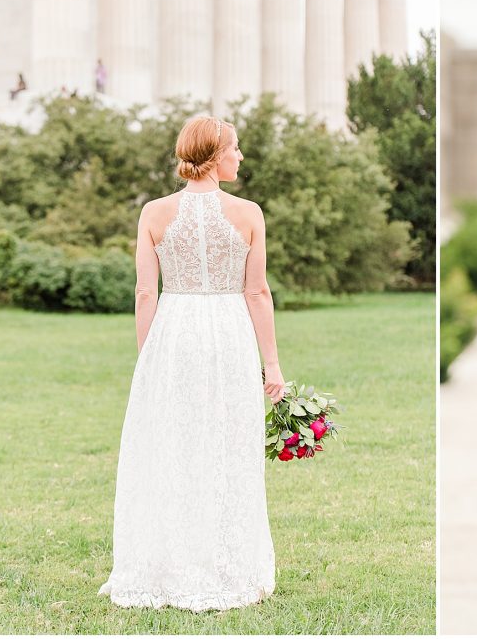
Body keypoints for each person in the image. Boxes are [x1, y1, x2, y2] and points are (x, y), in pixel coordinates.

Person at [99, 115, 285, 611]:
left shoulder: (154, 213)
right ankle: (227, 565)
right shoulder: (248, 213)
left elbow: (144, 292)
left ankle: (170, 562)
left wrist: (149, 360)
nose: (241, 157)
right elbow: (257, 291)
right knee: (226, 445)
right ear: (215, 155)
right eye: (236, 149)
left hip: (174, 332)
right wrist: (273, 365)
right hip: (228, 335)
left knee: (173, 445)